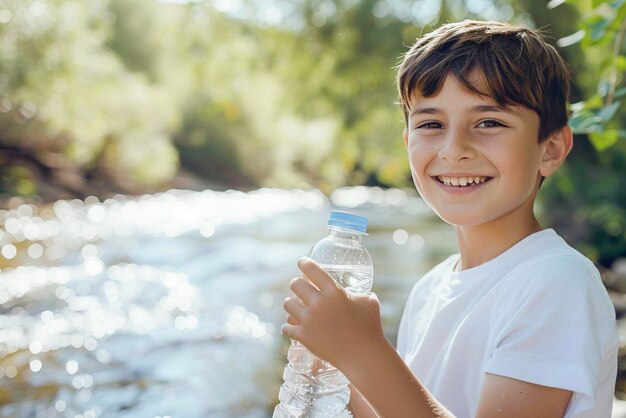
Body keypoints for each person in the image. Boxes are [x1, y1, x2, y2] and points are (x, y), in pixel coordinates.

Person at [281, 20, 619, 417]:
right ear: (409, 142)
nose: (453, 149)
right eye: (431, 124)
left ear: (550, 148)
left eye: (489, 122)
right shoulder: (430, 288)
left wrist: (364, 351)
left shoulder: (557, 283)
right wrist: (335, 363)